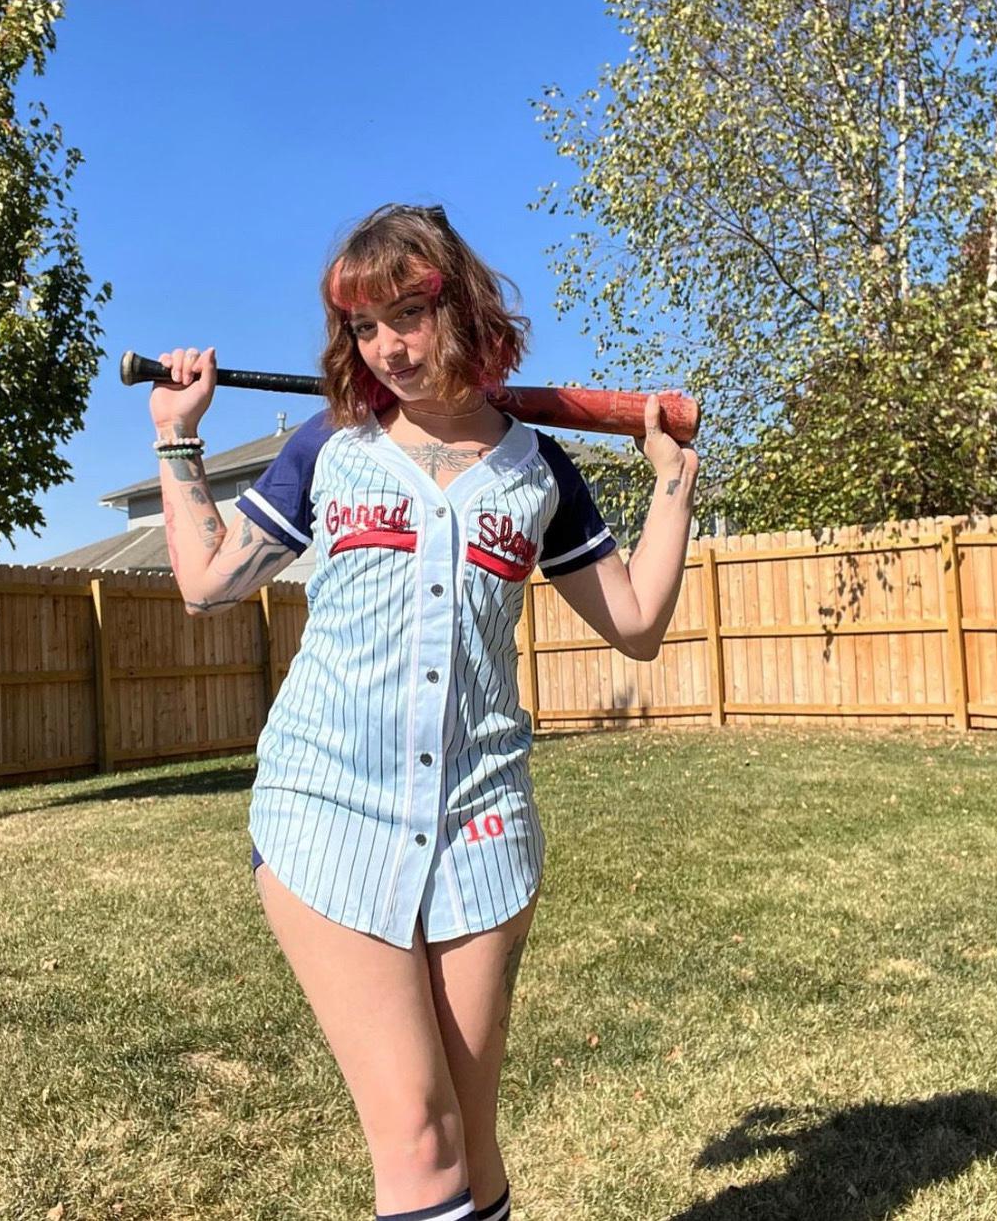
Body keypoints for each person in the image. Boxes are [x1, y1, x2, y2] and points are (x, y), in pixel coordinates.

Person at [149, 203, 698, 1221]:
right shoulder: (331, 446)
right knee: (420, 1138)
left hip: (481, 823)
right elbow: (207, 581)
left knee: (472, 1146)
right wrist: (178, 439)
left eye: (408, 313)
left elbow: (633, 622)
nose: (389, 347)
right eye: (363, 326)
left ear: (466, 306)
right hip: (328, 808)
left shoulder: (539, 471)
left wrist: (672, 485)